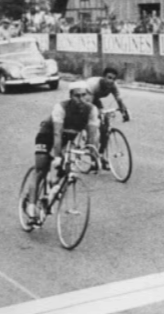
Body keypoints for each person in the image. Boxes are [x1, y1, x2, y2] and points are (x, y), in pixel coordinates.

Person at [26, 81, 100, 221]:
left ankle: (50, 196)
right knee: (41, 169)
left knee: (65, 169)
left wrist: (94, 156)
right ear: (70, 96)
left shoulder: (92, 110)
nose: (81, 99)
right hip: (47, 135)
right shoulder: (61, 107)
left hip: (67, 139)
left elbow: (92, 136)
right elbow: (57, 134)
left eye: (84, 95)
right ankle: (31, 205)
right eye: (77, 96)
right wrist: (57, 156)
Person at [87, 67, 129, 168]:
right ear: (103, 77)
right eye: (109, 78)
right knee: (93, 127)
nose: (111, 81)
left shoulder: (113, 86)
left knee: (105, 129)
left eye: (114, 79)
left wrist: (124, 112)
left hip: (96, 99)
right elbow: (90, 105)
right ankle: (93, 160)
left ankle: (101, 156)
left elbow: (119, 98)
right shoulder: (94, 85)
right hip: (86, 98)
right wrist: (96, 114)